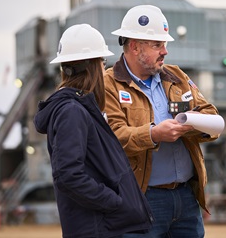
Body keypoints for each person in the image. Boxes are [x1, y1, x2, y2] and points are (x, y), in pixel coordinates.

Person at [103, 5, 219, 237]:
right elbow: (112, 137)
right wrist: (154, 134)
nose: (165, 51)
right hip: (142, 198)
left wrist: (192, 124)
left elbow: (210, 115)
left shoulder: (177, 76)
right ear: (134, 46)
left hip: (186, 197)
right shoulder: (108, 85)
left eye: (164, 44)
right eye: (157, 45)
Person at [33, 24, 153, 238]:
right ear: (93, 66)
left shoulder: (79, 108)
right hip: (95, 228)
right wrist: (115, 201)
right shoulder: (72, 111)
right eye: (102, 61)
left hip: (99, 226)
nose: (104, 68)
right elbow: (68, 175)